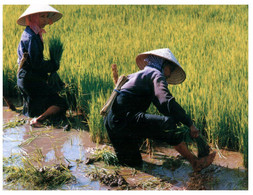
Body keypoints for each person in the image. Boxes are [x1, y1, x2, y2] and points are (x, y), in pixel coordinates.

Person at [104, 48, 216, 172]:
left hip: (111, 121)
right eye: (170, 69)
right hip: (126, 119)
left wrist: (179, 118)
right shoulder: (155, 74)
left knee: (132, 166)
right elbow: (166, 102)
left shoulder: (138, 75)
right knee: (168, 124)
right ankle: (194, 162)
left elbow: (161, 105)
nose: (169, 74)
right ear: (163, 65)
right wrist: (190, 124)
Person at [16, 5, 68, 127]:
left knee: (32, 111)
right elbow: (37, 64)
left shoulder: (29, 32)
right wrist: (53, 65)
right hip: (30, 80)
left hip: (23, 78)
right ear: (32, 18)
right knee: (61, 104)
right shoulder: (33, 37)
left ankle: (30, 126)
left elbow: (33, 62)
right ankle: (39, 120)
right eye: (42, 16)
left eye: (46, 16)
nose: (45, 20)